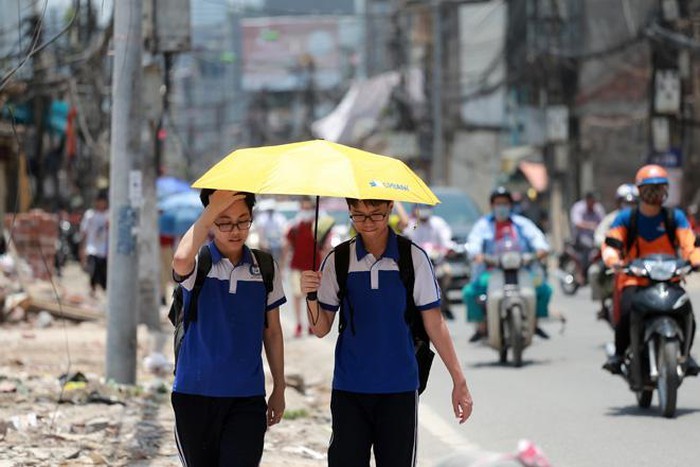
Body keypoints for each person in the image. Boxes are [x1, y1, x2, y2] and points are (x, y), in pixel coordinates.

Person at [300, 198, 473, 467]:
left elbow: (435, 323)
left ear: (390, 209)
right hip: (350, 389)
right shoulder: (338, 260)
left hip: (399, 390)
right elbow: (321, 328)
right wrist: (310, 296)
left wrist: (458, 379)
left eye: (375, 215)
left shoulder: (413, 258)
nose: (367, 224)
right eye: (358, 216)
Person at [170, 189, 286, 466]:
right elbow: (180, 261)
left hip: (246, 398)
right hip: (194, 396)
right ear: (210, 223)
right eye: (224, 222)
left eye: (243, 220)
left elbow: (272, 332)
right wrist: (210, 211)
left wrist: (279, 387)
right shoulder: (200, 264)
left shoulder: (265, 268)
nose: (235, 230)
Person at [601, 165, 700, 379]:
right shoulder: (627, 218)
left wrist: (695, 260)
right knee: (626, 312)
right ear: (640, 191)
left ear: (666, 191)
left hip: (669, 278)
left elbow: (689, 244)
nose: (654, 194)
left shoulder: (675, 217)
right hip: (633, 279)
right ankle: (619, 355)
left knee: (687, 312)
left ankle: (686, 355)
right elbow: (611, 244)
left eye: (659, 188)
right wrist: (613, 260)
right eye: (649, 189)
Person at [463, 187, 552, 343]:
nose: (501, 207)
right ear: (492, 205)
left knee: (544, 289)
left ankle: (534, 322)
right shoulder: (483, 225)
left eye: (504, 203)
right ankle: (482, 326)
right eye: (498, 203)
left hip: (523, 270)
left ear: (510, 205)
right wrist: (477, 255)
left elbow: (538, 240)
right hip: (491, 272)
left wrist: (540, 251)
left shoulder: (522, 223)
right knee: (470, 292)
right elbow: (473, 244)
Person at [283, 196, 333, 338]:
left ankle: (312, 324)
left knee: (311, 297)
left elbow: (327, 247)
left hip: (314, 268)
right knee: (297, 296)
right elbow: (287, 246)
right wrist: (282, 266)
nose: (305, 210)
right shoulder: (294, 226)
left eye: (308, 207)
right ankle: (299, 324)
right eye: (303, 207)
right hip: (297, 266)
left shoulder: (321, 226)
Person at [589, 183, 639, 320]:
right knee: (594, 272)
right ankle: (602, 306)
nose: (629, 205)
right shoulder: (611, 219)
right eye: (625, 202)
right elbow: (599, 236)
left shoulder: (643, 218)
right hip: (614, 259)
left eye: (632, 202)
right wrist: (608, 246)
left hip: (638, 260)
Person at [404, 205, 455, 320]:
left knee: (446, 273)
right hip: (417, 265)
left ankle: (444, 301)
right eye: (420, 207)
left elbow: (446, 241)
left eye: (426, 207)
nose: (423, 210)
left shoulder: (438, 223)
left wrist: (447, 249)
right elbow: (407, 238)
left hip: (437, 263)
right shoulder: (412, 225)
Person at [79, 190, 109, 298]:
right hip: (92, 248)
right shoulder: (90, 215)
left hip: (104, 250)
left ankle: (104, 292)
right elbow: (84, 232)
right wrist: (82, 249)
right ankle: (92, 290)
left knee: (103, 273)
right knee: (93, 270)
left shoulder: (108, 216)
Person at [569, 191, 606, 276]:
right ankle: (582, 273)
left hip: (595, 236)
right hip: (580, 237)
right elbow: (577, 223)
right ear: (587, 200)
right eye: (591, 201)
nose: (593, 204)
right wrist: (591, 226)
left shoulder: (598, 208)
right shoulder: (578, 207)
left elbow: (604, 222)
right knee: (589, 245)